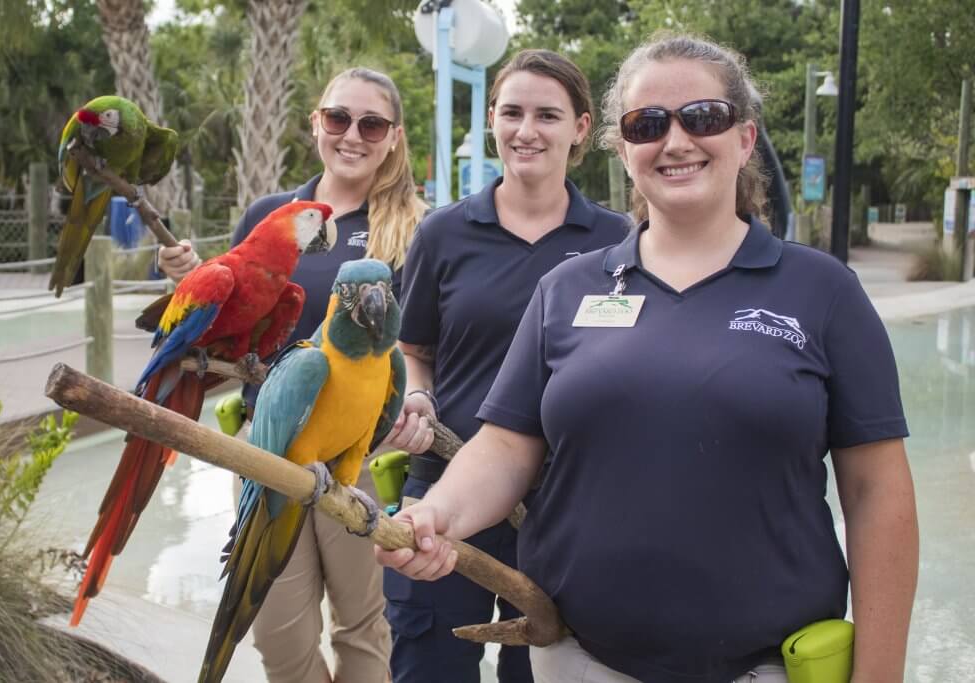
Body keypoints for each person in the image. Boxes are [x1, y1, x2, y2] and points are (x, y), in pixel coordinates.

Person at [377, 33, 919, 683]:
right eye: (648, 123)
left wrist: (880, 672)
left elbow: (877, 492)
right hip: (581, 660)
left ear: (744, 139)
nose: (677, 139)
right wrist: (439, 514)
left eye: (704, 117)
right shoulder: (567, 290)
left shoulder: (822, 291)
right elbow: (505, 448)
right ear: (623, 147)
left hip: (764, 667)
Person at [158, 66, 427, 683]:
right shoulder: (272, 213)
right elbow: (239, 331)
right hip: (271, 442)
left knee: (361, 625)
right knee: (278, 634)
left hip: (357, 452)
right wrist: (196, 285)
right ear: (316, 123)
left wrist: (414, 403)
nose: (352, 135)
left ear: (393, 136)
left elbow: (419, 349)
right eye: (338, 118)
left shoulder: (416, 225)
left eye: (372, 123)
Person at [380, 49, 632, 683]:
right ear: (491, 118)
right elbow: (416, 350)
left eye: (548, 115)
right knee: (428, 664)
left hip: (567, 502)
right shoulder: (443, 233)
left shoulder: (620, 242)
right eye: (512, 112)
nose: (527, 130)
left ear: (580, 128)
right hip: (448, 482)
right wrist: (419, 399)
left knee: (546, 670)